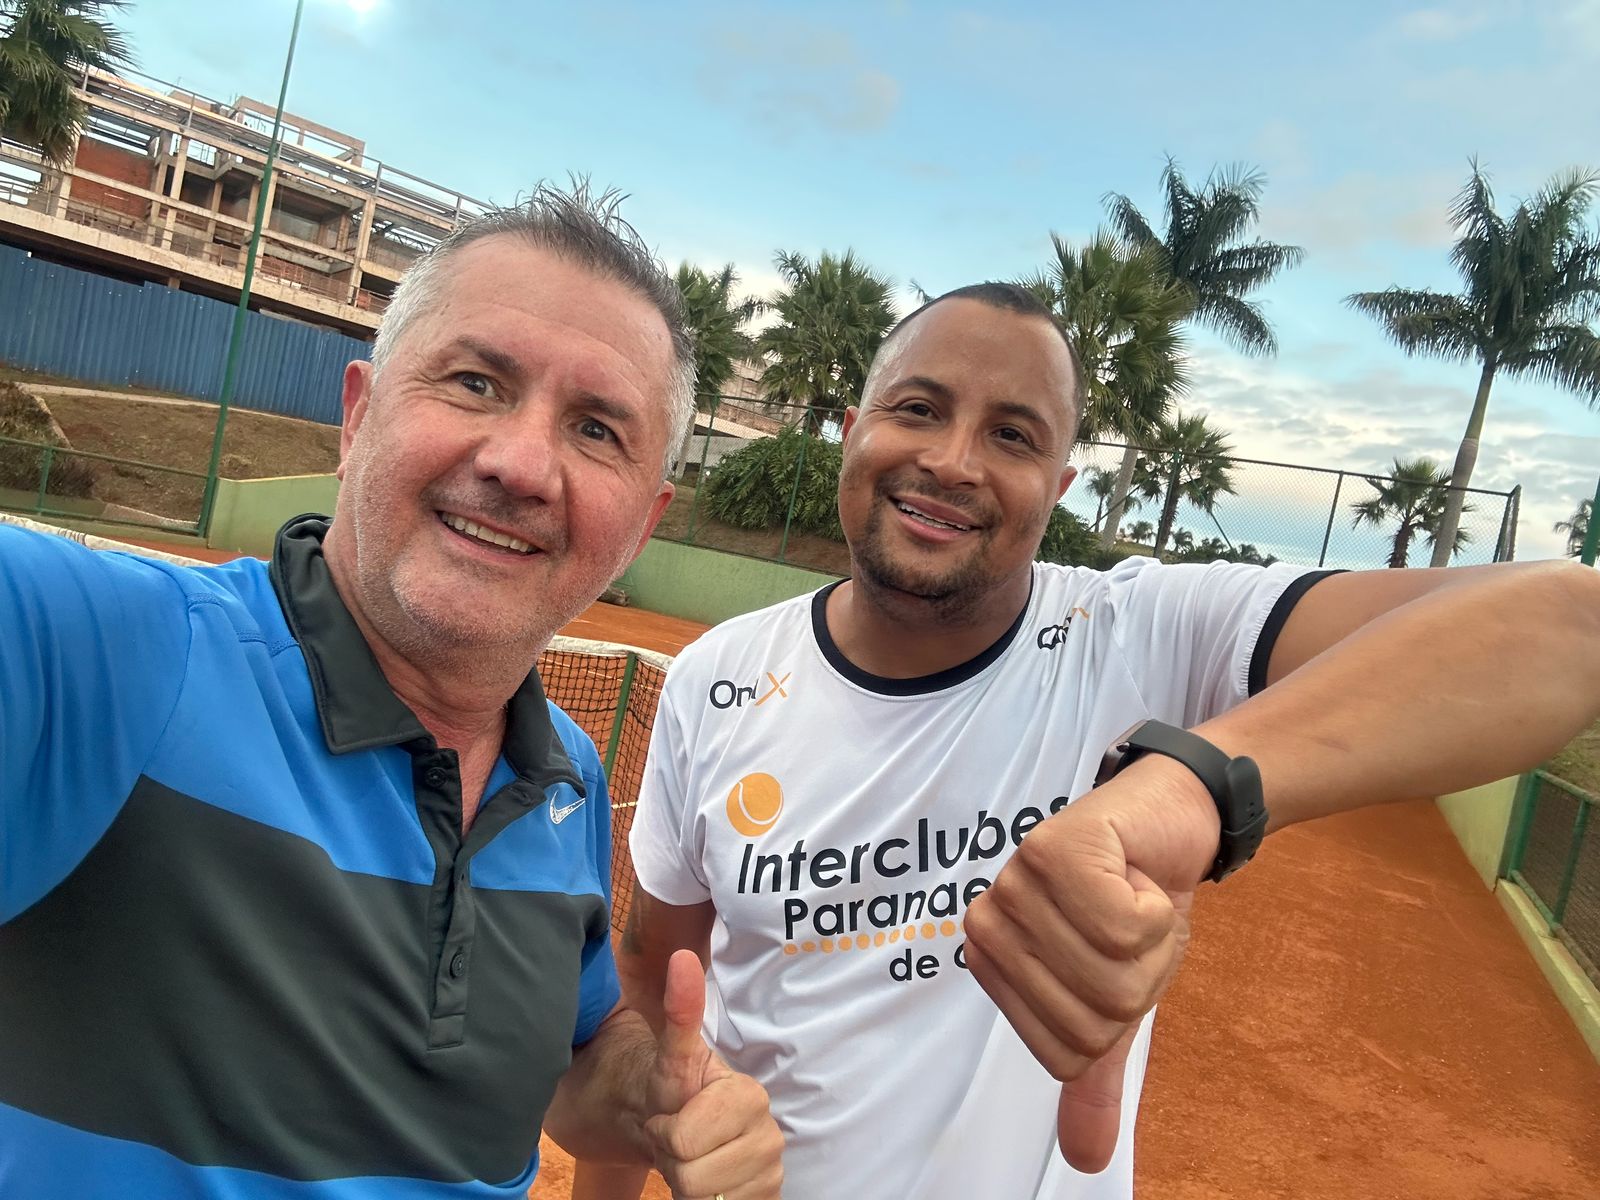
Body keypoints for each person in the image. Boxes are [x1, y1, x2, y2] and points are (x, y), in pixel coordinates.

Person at [577, 282, 1600, 1200]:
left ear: (1059, 486)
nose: (952, 461)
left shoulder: (1141, 631)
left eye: (1013, 436)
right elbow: (656, 991)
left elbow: (1567, 629)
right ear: (852, 430)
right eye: (918, 408)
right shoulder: (716, 677)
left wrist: (1194, 786)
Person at [0, 188, 783, 1199]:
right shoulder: (105, 647)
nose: (522, 465)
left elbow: (563, 1059)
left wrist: (648, 1098)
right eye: (475, 382)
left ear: (642, 526)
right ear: (358, 414)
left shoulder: (568, 778)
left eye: (596, 430)